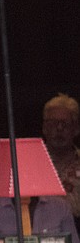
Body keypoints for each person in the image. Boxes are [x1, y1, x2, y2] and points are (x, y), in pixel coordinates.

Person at [41, 93, 80, 228]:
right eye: (53, 123)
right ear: (44, 128)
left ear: (76, 129)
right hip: (38, 235)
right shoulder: (30, 165)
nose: (59, 129)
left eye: (65, 124)